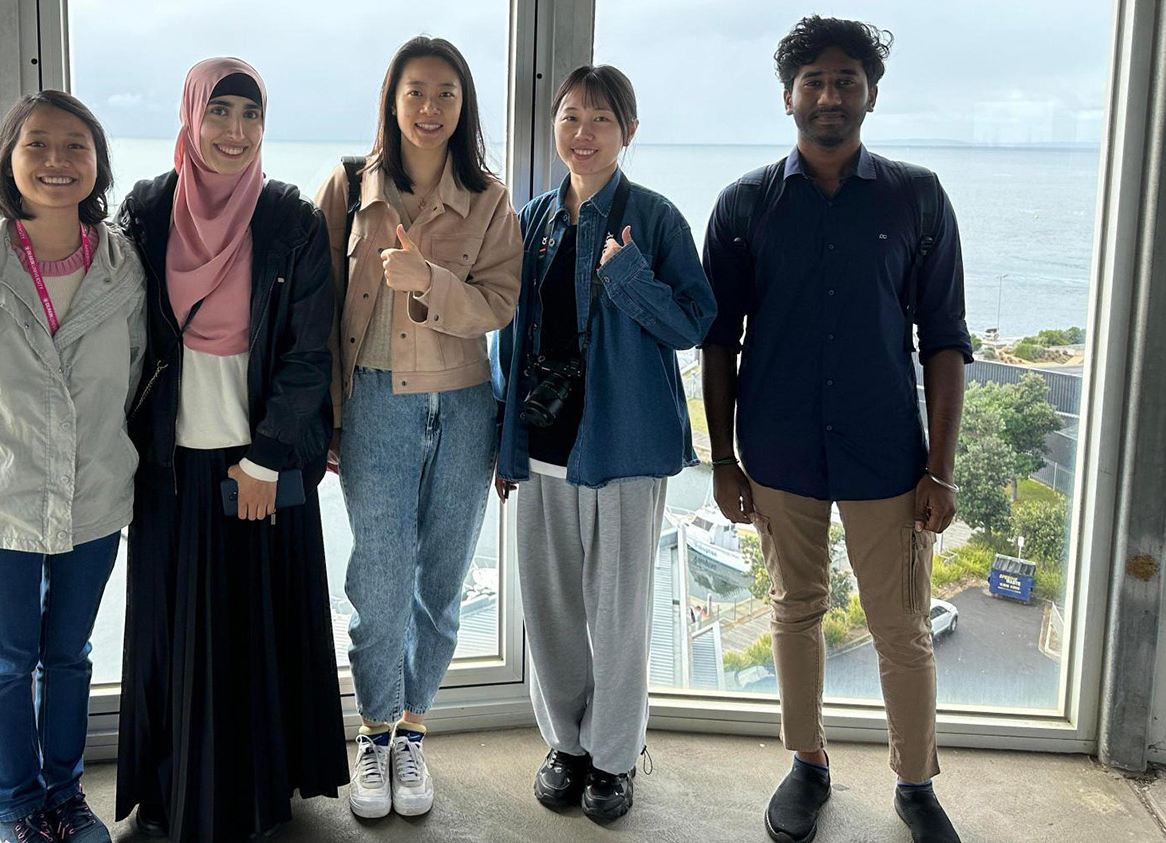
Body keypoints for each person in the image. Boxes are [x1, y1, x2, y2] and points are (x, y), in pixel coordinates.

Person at [700, 16, 971, 843]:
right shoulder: (746, 204)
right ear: (789, 96)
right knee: (794, 611)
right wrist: (722, 459)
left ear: (871, 94)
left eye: (846, 79)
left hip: (887, 453)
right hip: (779, 449)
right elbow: (719, 341)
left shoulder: (917, 197)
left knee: (902, 628)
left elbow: (946, 340)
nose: (829, 94)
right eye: (813, 80)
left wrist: (942, 467)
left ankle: (916, 781)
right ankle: (807, 762)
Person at [112, 57, 347, 841]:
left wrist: (270, 456)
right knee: (173, 637)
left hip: (258, 464)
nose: (235, 132)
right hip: (169, 466)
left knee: (254, 633)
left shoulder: (288, 219)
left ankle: (253, 793)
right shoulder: (146, 211)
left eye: (251, 115)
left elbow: (310, 351)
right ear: (190, 117)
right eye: (220, 112)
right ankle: (174, 791)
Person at [0, 90, 142, 843]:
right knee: (8, 658)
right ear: (8, 159)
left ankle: (65, 798)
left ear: (97, 160)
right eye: (37, 144)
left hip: (96, 494)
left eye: (75, 145)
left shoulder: (121, 261)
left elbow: (134, 371)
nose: (57, 161)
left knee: (68, 655)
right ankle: (14, 808)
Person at [493, 64, 717, 823]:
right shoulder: (535, 219)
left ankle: (616, 759)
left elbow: (695, 323)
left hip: (623, 448)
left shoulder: (654, 218)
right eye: (570, 117)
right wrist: (505, 444)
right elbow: (512, 336)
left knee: (618, 615)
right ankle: (567, 745)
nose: (582, 134)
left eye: (600, 119)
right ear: (554, 127)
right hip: (545, 444)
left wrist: (626, 276)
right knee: (552, 610)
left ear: (628, 130)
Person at [314, 36, 521, 820]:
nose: (430, 109)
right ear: (392, 101)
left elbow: (499, 304)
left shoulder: (489, 197)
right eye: (416, 93)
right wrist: (332, 415)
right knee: (378, 582)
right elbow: (324, 313)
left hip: (467, 404)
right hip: (375, 404)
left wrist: (429, 279)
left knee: (441, 583)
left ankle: (412, 731)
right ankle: (371, 732)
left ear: (463, 107)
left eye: (446, 95)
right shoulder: (347, 187)